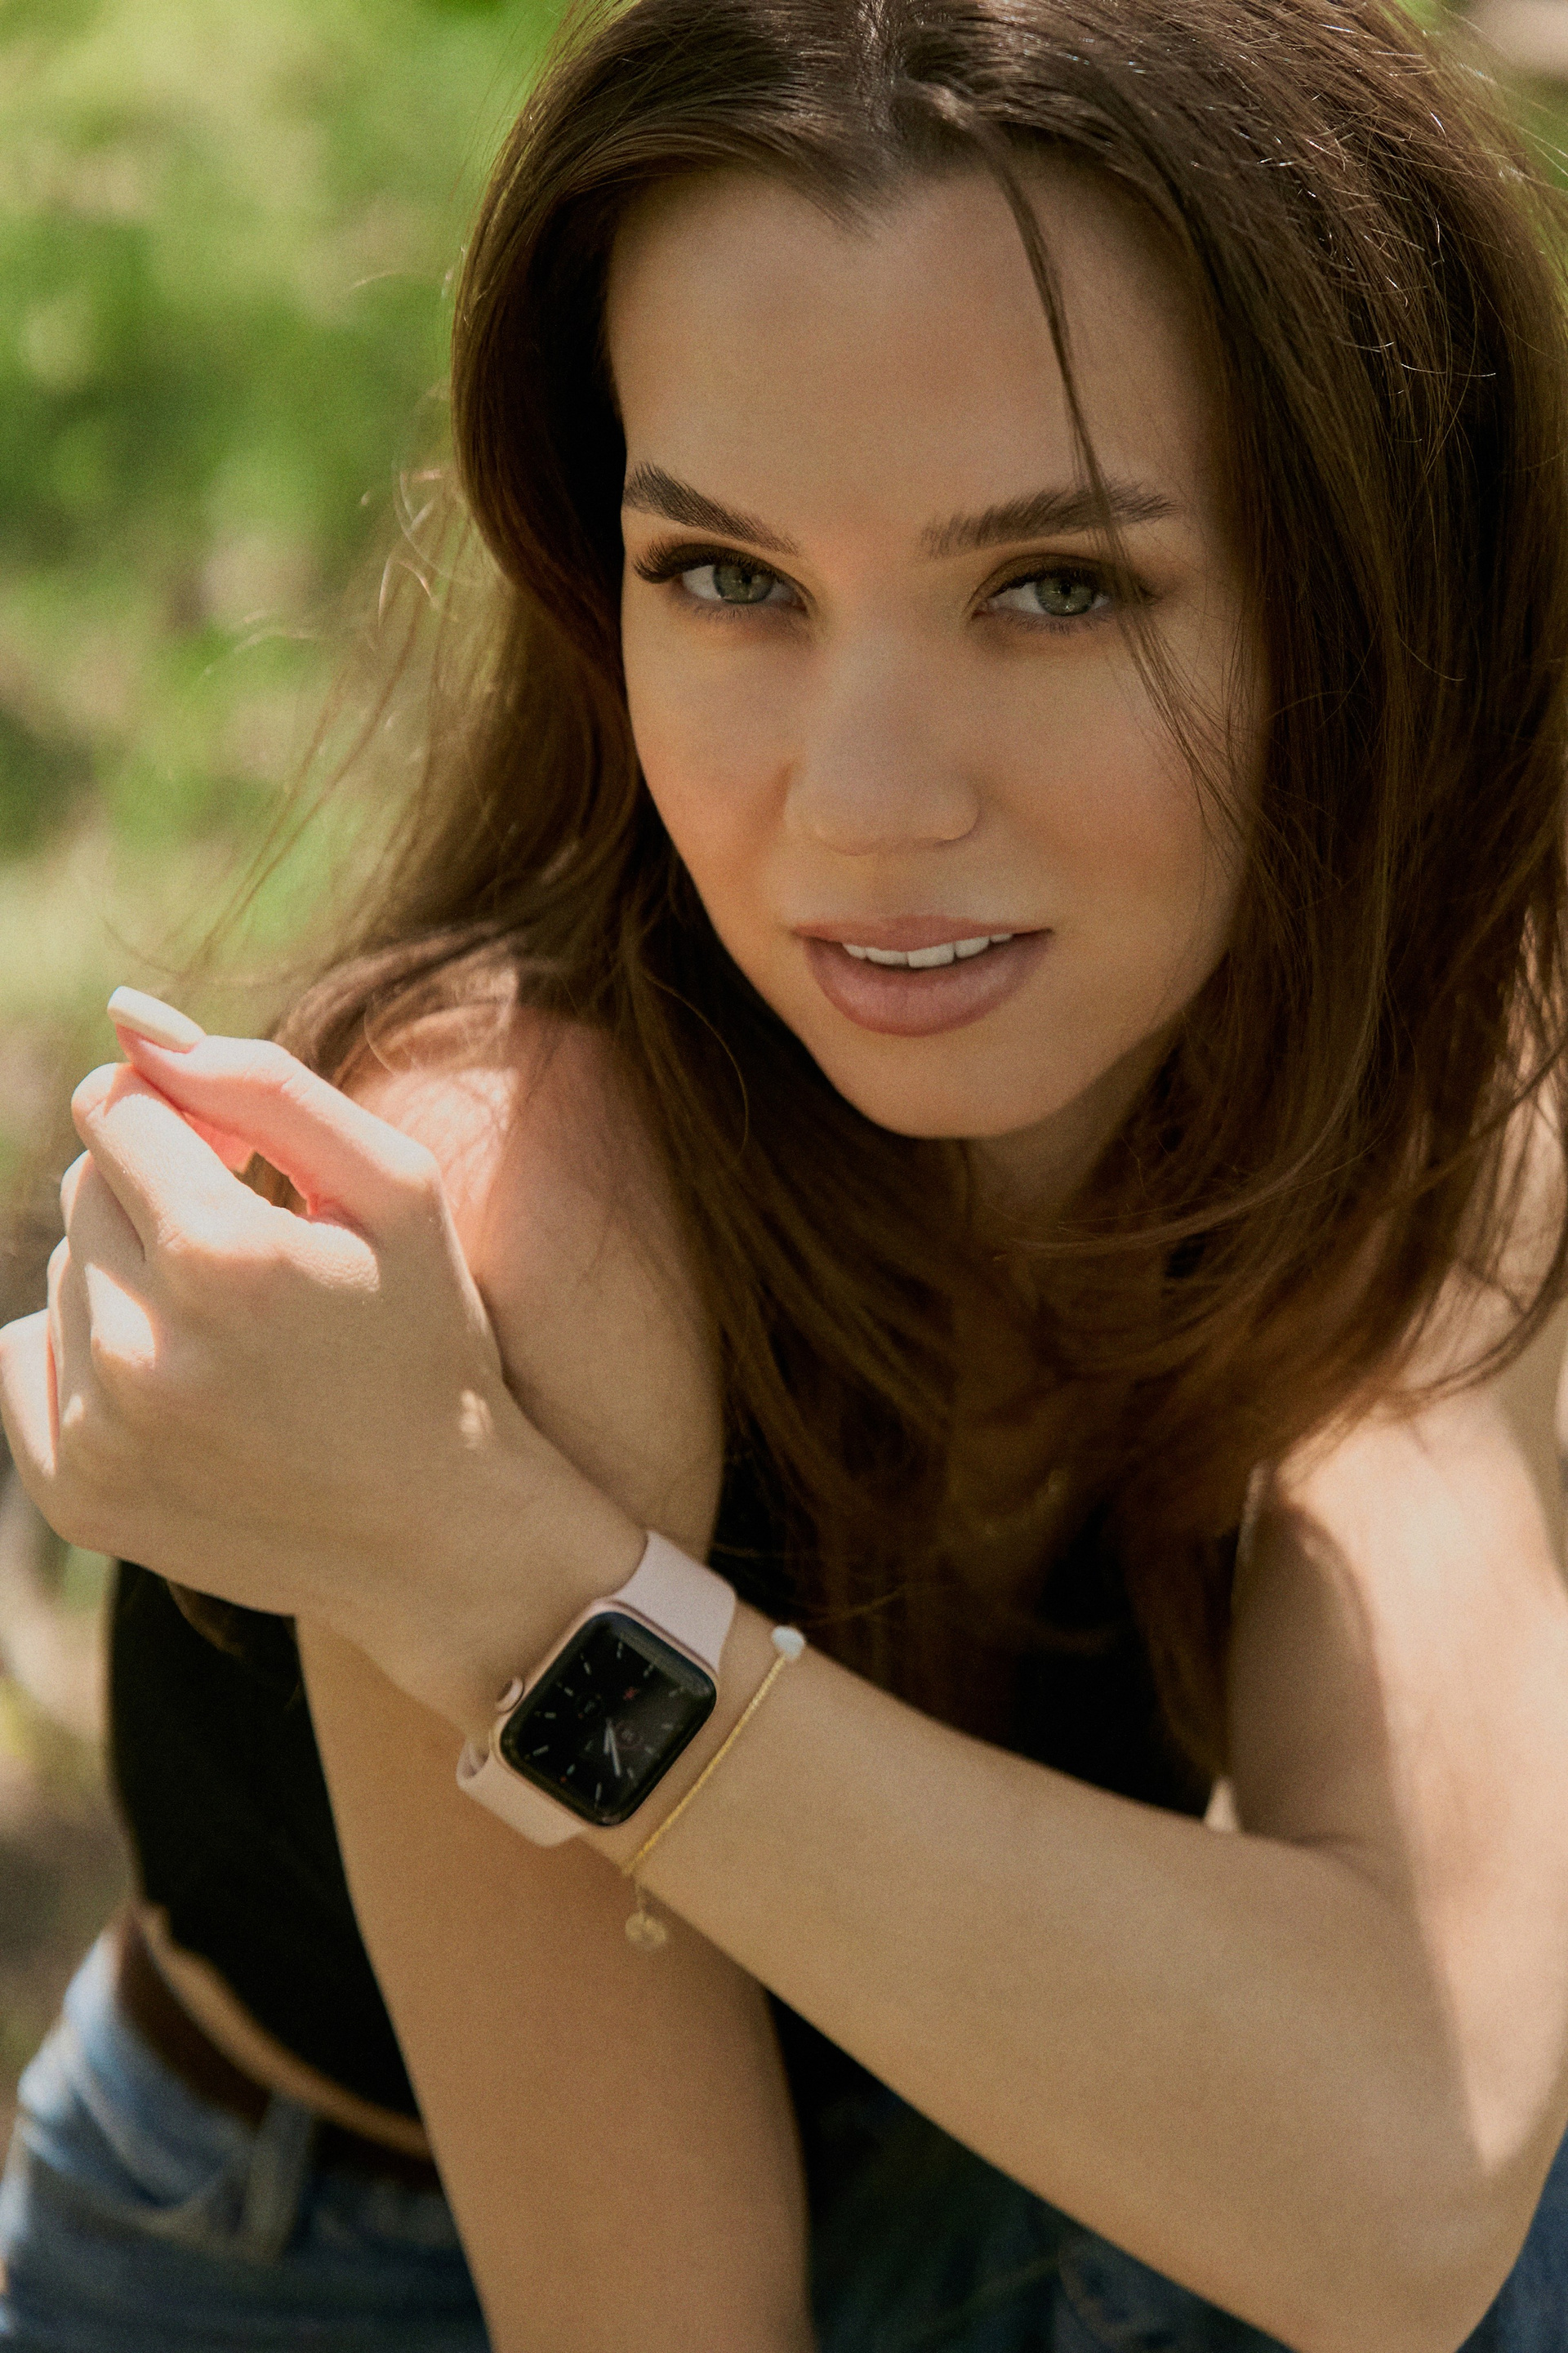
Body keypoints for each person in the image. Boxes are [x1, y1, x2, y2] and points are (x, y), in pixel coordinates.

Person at [4, 0, 1568, 2344]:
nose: (863, 802)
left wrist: (495, 1571)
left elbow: (1414, 2161)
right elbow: (664, 2319)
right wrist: (487, 1515)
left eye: (1058, 584)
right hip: (352, 2267)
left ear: (1359, 589)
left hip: (1002, 2125)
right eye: (731, 576)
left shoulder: (1429, 1041)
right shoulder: (505, 1216)